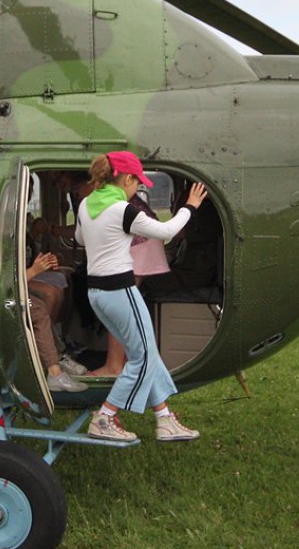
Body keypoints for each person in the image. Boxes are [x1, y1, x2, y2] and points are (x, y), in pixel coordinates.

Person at [75, 151, 207, 442]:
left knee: (145, 352)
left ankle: (165, 419)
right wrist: (191, 206)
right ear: (127, 179)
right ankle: (105, 417)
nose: (137, 189)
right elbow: (166, 231)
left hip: (96, 293)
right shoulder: (123, 210)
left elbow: (80, 239)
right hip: (120, 291)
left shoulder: (86, 204)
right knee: (143, 357)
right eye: (138, 183)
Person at [84, 186, 169, 378]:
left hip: (140, 247)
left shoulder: (101, 201)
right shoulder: (112, 197)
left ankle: (113, 367)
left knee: (119, 309)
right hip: (142, 244)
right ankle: (123, 362)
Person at [26, 251, 87, 393]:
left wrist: (42, 264)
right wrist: (33, 271)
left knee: (37, 305)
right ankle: (55, 372)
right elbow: (5, 283)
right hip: (5, 302)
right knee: (36, 309)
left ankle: (58, 355)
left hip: (12, 294)